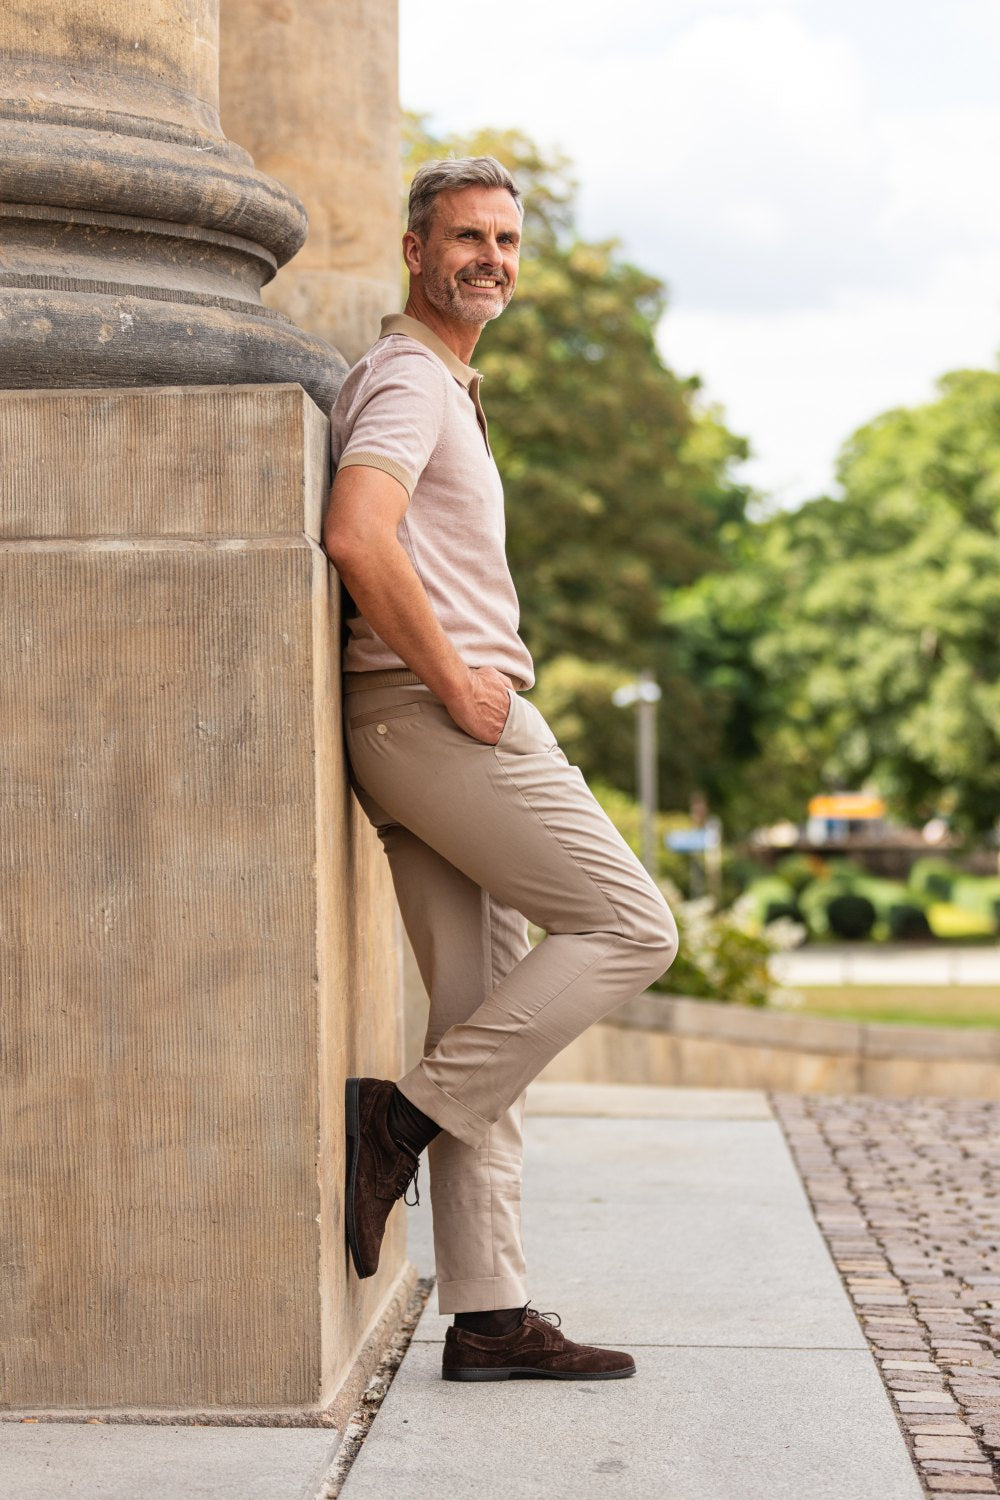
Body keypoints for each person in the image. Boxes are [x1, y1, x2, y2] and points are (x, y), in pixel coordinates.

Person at [323, 156, 678, 1383]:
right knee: (633, 927)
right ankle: (402, 1119)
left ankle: (486, 1315)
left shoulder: (440, 384)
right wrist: (455, 677)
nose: (491, 257)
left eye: (506, 241)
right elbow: (356, 532)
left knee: (486, 1014)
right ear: (414, 251)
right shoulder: (410, 378)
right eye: (465, 236)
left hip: (408, 727)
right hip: (441, 719)